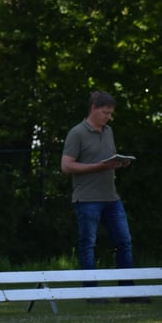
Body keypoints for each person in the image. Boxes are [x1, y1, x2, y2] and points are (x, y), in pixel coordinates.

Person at [61, 90, 147, 302]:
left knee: (124, 242)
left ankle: (128, 293)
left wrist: (119, 163)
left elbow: (106, 161)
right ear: (93, 108)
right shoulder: (77, 133)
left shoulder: (108, 131)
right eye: (105, 112)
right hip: (87, 199)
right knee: (88, 245)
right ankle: (93, 294)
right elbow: (66, 166)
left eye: (110, 113)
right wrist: (98, 166)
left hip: (111, 197)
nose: (108, 117)